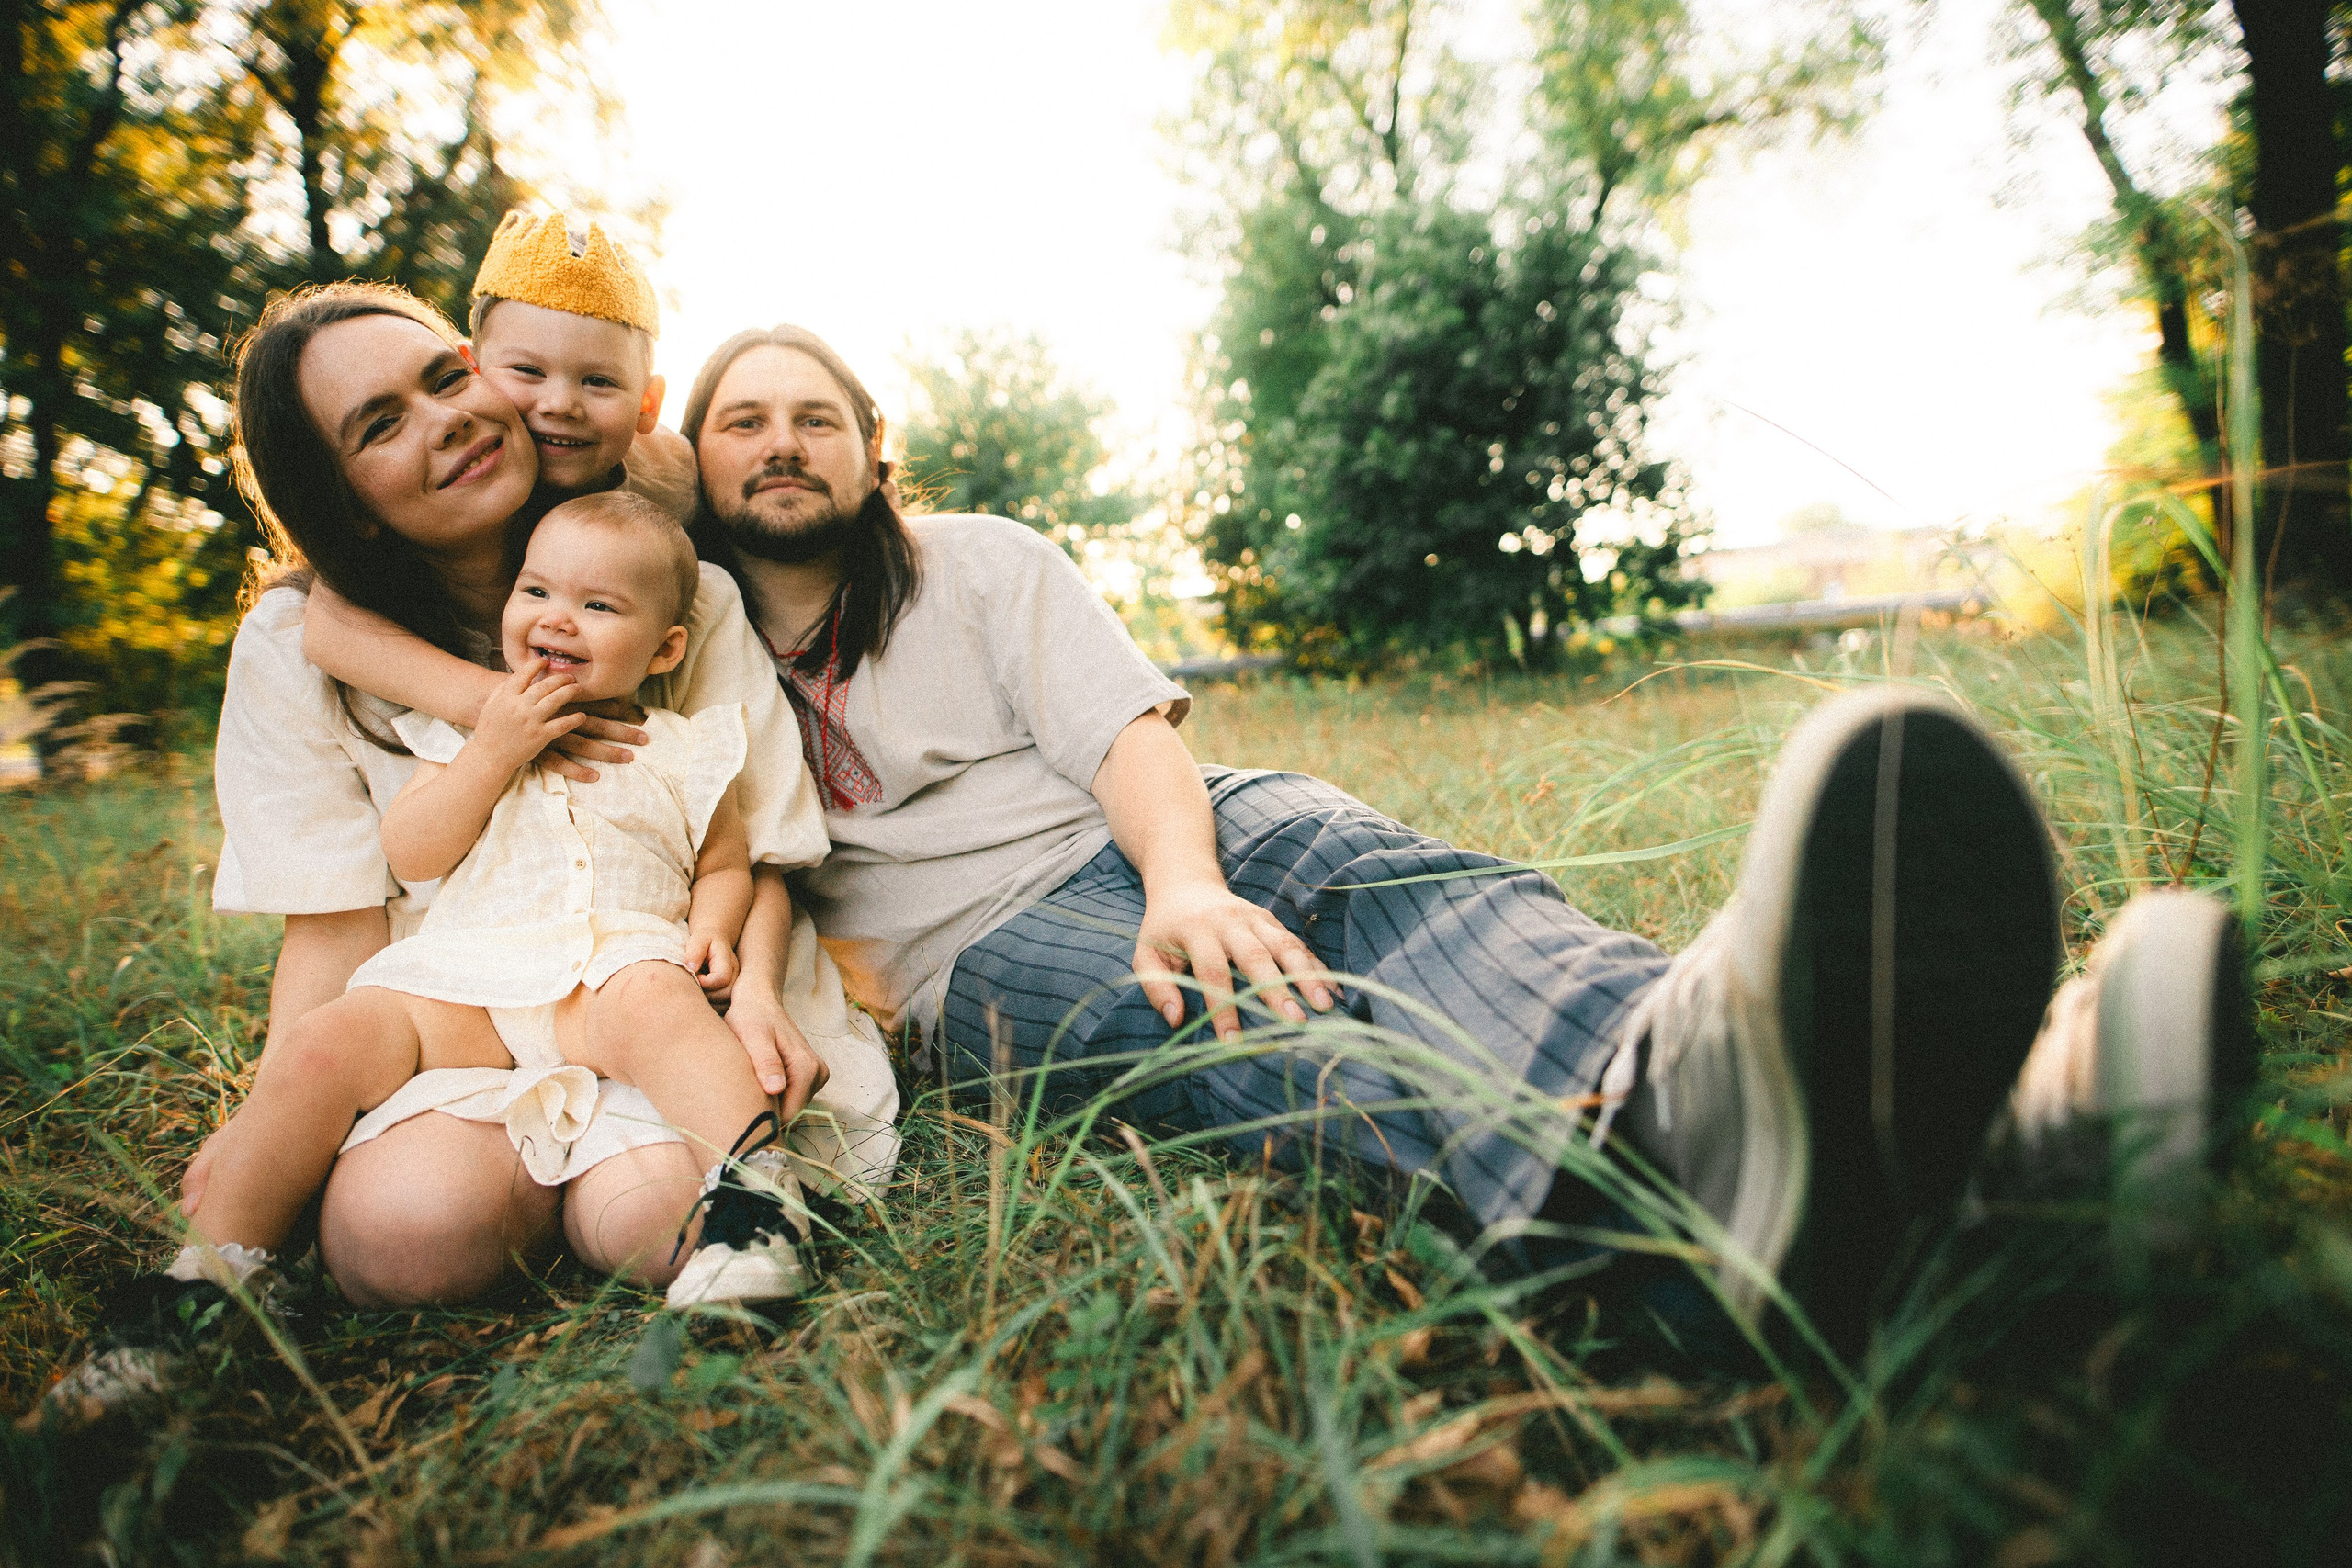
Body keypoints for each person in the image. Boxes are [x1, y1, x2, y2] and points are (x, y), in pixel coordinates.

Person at [672, 322, 2256, 1350]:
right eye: (744, 419)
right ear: (695, 464)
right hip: (983, 948)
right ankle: (1952, 1175)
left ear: (875, 448)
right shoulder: (675, 642)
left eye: (819, 414)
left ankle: (1703, 1062)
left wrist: (1185, 879)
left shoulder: (986, 562)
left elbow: (1128, 737)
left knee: (1445, 911)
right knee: (1262, 1031)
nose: (784, 439)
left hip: (1185, 828)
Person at [167, 494, 856, 1324]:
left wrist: (713, 925)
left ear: (666, 646)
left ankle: (758, 1208)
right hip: (469, 980)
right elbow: (413, 849)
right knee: (329, 1040)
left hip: (610, 972)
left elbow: (724, 863)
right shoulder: (461, 734)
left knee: (662, 1007)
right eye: (536, 593)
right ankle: (214, 1272)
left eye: (599, 606)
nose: (558, 619)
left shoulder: (683, 744)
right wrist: (493, 748)